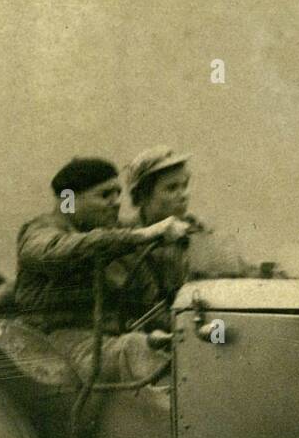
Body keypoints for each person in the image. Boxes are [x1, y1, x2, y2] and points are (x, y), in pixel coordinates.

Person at [15, 156, 191, 383]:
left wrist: (177, 333)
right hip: (55, 343)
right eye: (105, 195)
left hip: (111, 339)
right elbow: (55, 251)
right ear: (67, 199)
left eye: (118, 193)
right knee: (136, 351)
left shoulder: (117, 237)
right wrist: (145, 234)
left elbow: (150, 300)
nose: (117, 202)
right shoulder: (40, 231)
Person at [105, 147, 198, 332]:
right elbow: (139, 308)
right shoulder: (123, 241)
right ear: (143, 195)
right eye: (172, 188)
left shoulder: (197, 231)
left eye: (185, 185)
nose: (184, 195)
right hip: (144, 338)